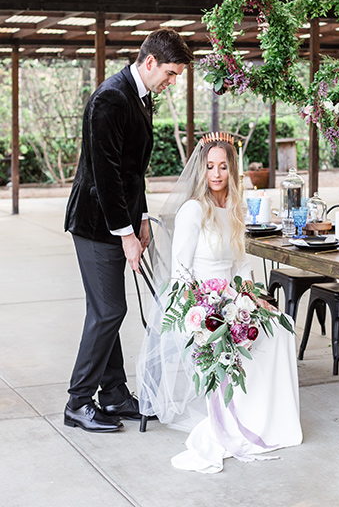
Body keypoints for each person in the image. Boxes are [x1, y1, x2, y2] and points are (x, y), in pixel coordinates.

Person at [137, 133, 302, 472]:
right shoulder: (193, 210)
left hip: (232, 295)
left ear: (232, 170)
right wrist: (201, 306)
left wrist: (256, 298)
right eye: (210, 166)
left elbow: (241, 265)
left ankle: (269, 422)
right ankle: (238, 423)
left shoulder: (236, 209)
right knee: (239, 341)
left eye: (223, 167)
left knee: (280, 332)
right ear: (202, 170)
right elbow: (181, 270)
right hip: (197, 301)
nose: (216, 174)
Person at [64, 28, 193, 433]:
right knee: (109, 311)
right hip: (94, 223)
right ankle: (78, 402)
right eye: (170, 74)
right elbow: (105, 175)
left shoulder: (140, 96)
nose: (172, 82)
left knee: (106, 310)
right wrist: (125, 234)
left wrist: (140, 219)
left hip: (120, 219)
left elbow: (132, 170)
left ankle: (115, 394)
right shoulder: (110, 98)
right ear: (150, 62)